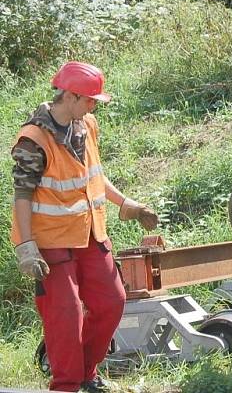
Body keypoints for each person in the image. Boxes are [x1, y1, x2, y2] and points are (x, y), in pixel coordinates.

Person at [10, 61, 159, 393]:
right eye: (91, 99)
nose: (95, 105)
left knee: (112, 302)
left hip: (90, 234)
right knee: (65, 316)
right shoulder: (33, 139)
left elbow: (94, 174)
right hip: (49, 242)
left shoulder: (86, 124)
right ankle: (67, 385)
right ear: (72, 96)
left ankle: (86, 374)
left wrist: (127, 204)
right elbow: (22, 195)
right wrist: (25, 246)